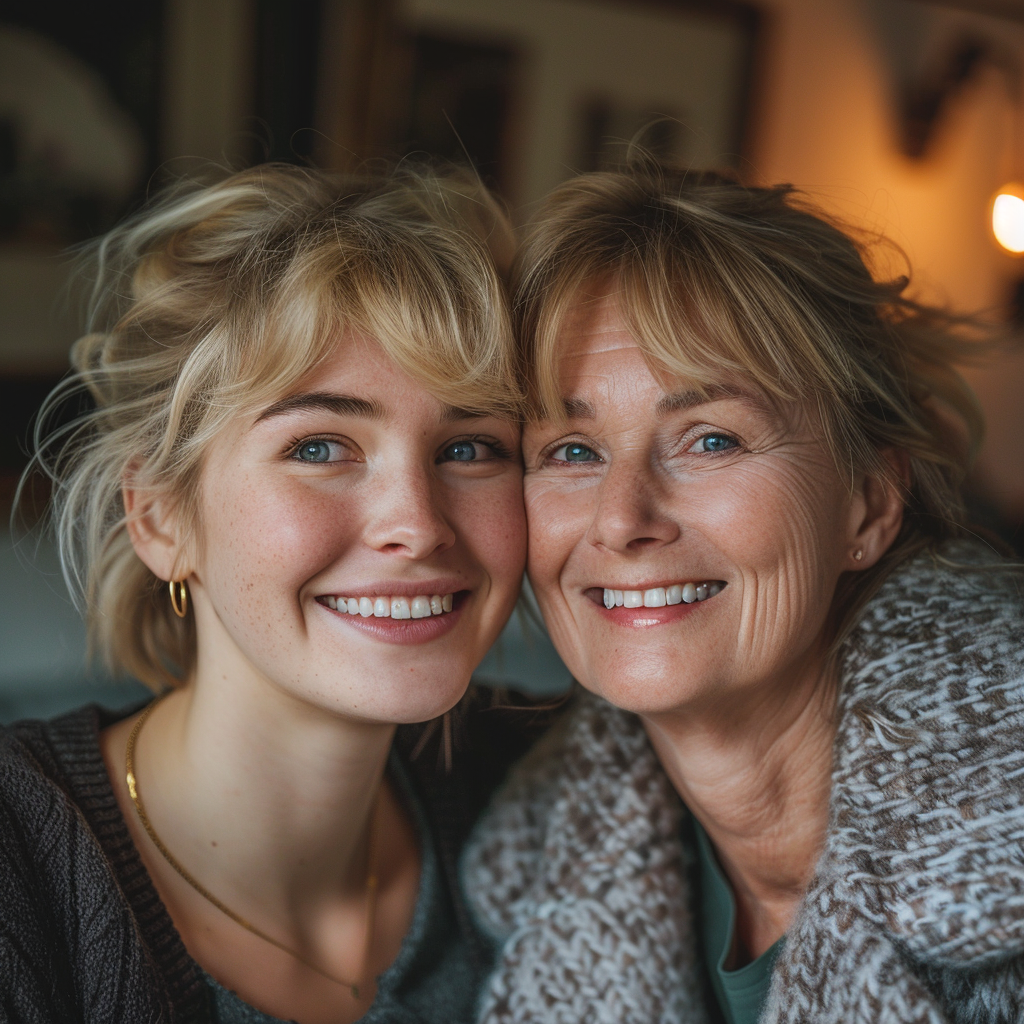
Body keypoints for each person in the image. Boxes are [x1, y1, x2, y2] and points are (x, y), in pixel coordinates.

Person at [462, 157, 1024, 1024]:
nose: (622, 520)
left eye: (711, 440)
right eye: (573, 451)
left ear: (869, 503)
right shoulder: (519, 868)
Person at [0, 164, 532, 1024]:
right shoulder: (19, 871)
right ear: (161, 518)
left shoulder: (559, 794)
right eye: (320, 447)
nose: (419, 524)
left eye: (471, 447)